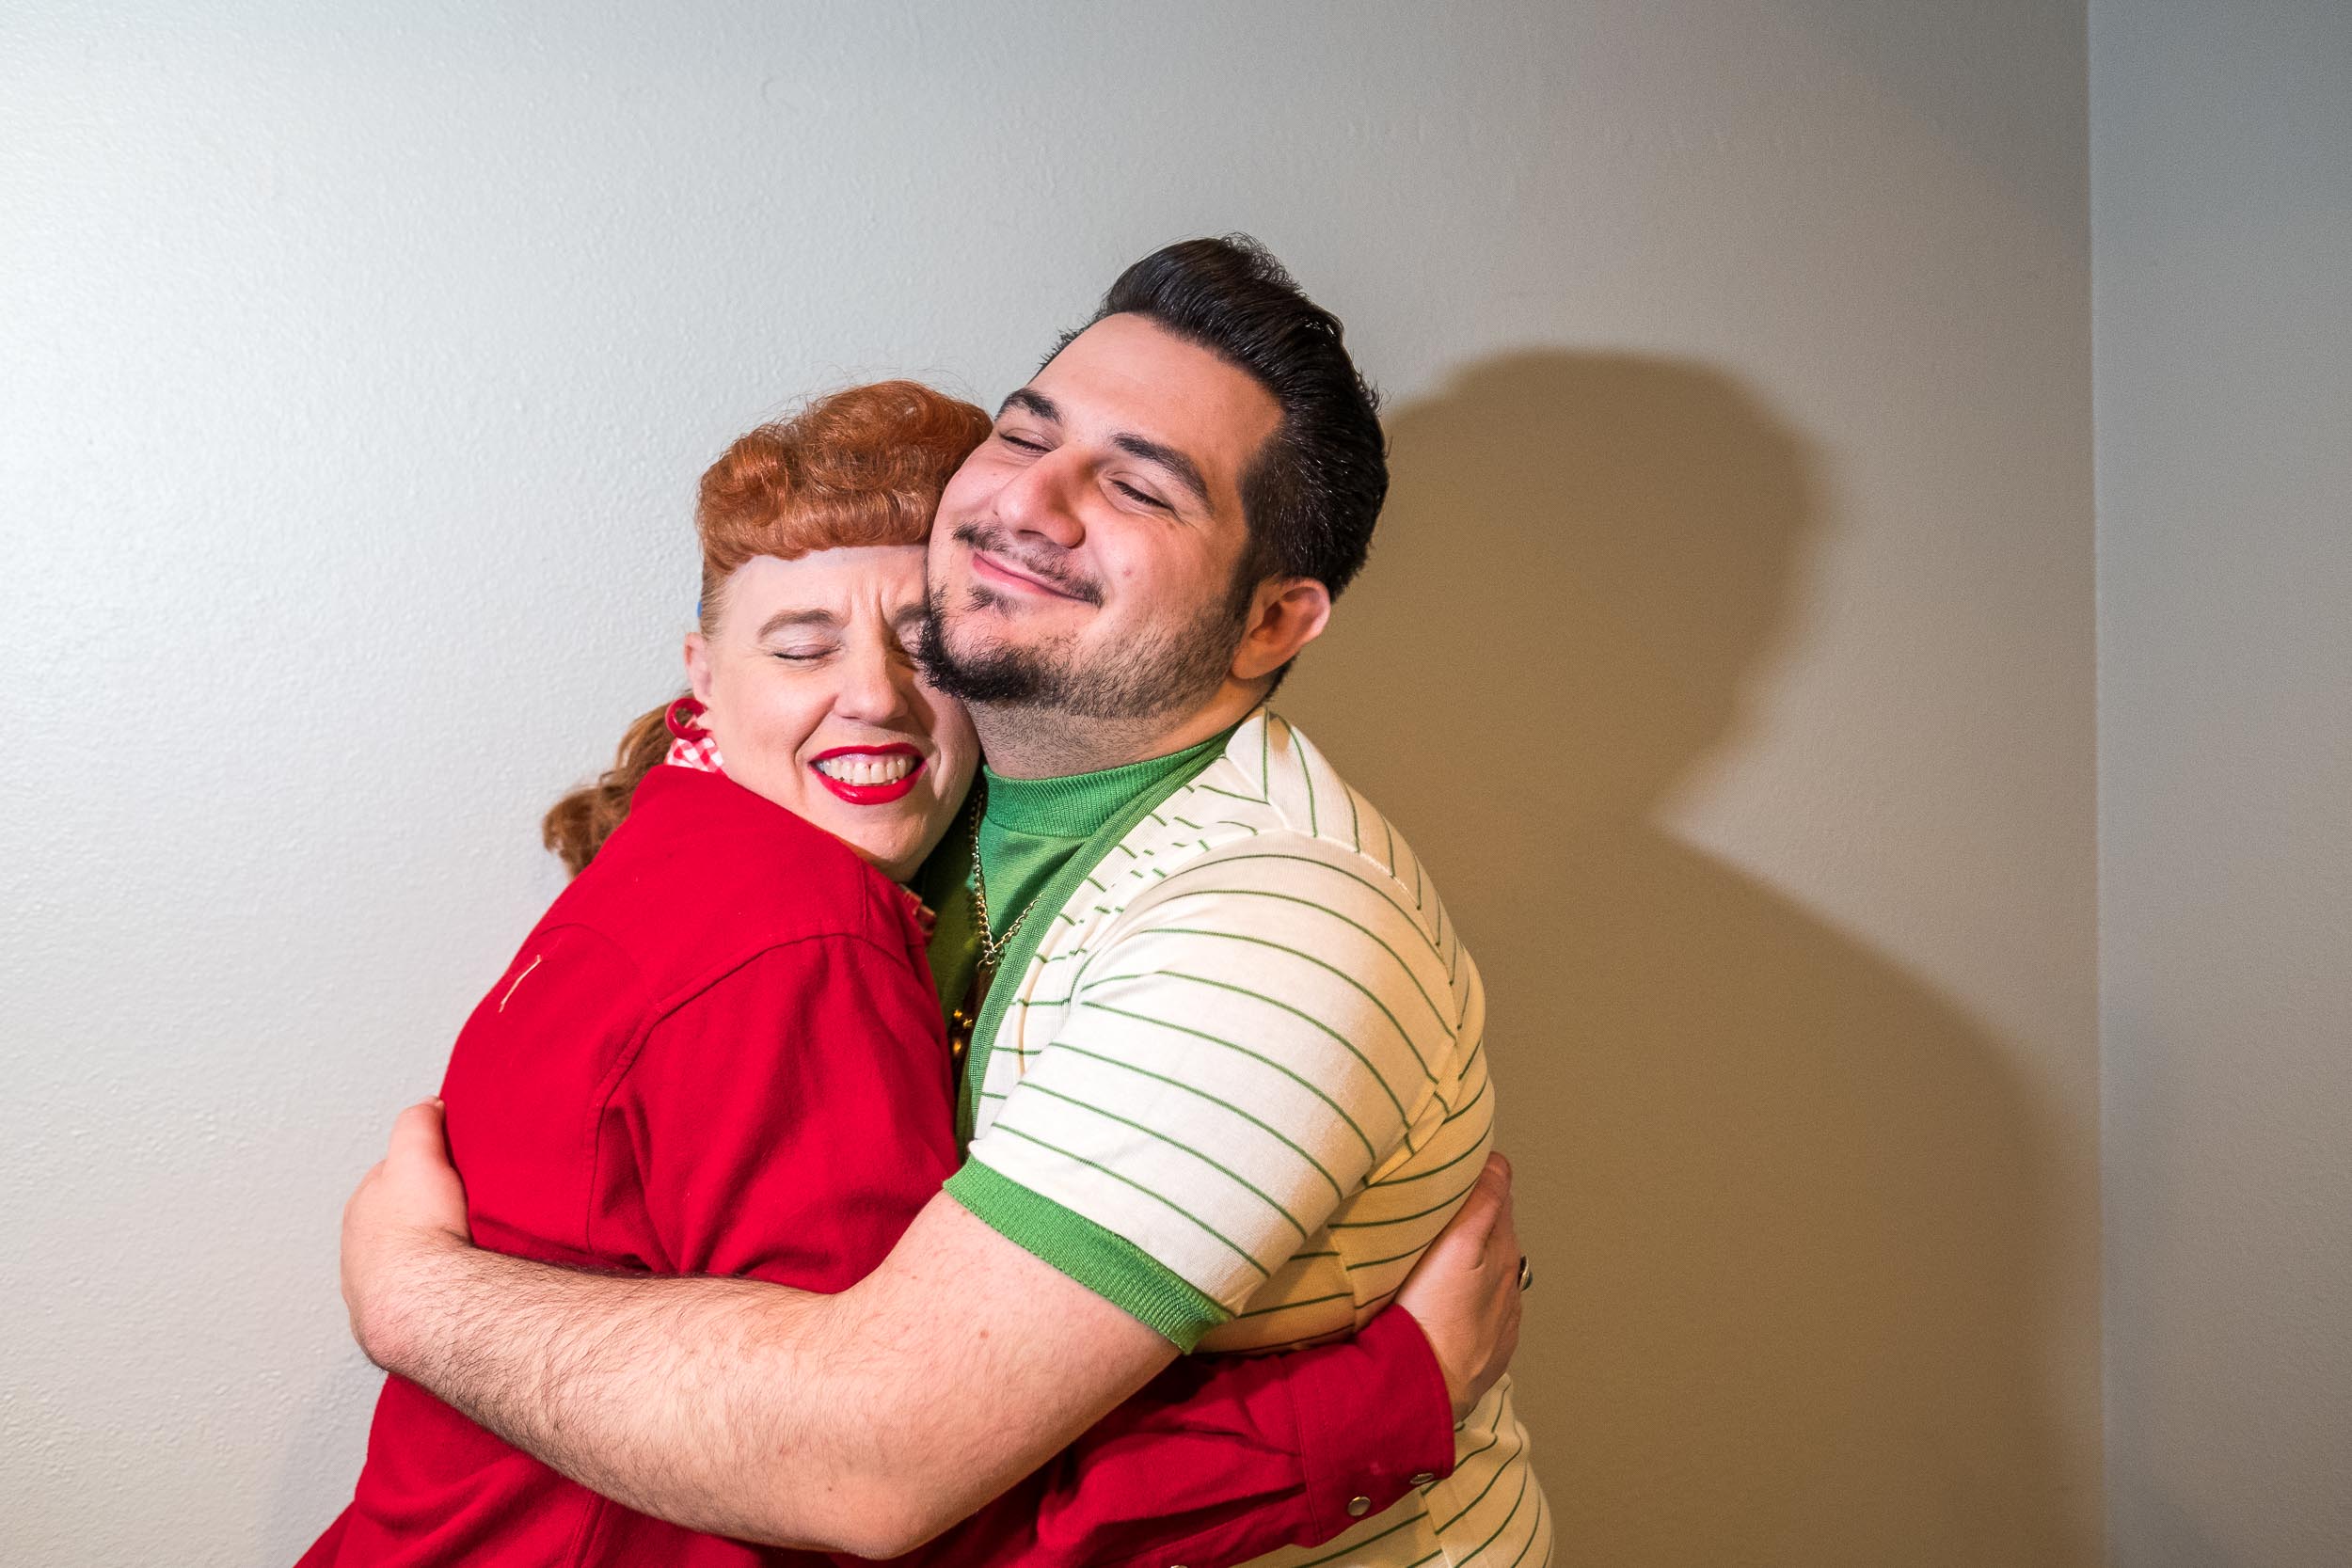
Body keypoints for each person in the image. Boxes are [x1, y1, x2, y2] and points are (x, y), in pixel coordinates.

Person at [339, 237, 1551, 1566]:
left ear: (1272, 623)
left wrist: (418, 1297)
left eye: (1139, 485)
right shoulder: (875, 813)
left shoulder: (1266, 935)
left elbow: (866, 1468)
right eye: (1029, 433)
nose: (1033, 502)